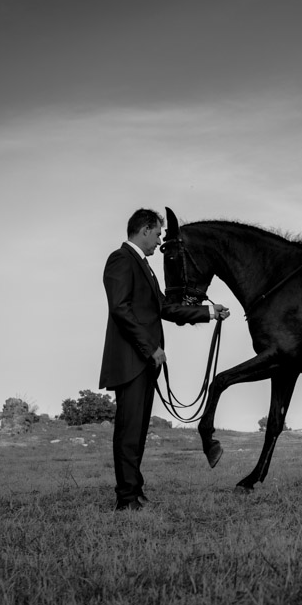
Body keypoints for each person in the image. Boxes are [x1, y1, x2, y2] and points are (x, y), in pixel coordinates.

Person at [99, 208, 230, 511]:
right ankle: (127, 498)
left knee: (138, 431)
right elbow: (120, 309)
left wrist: (210, 312)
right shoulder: (120, 259)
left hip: (143, 362)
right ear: (144, 230)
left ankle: (134, 491)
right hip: (132, 360)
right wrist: (150, 348)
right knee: (129, 432)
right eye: (157, 234)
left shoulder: (143, 267)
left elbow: (165, 309)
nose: (159, 241)